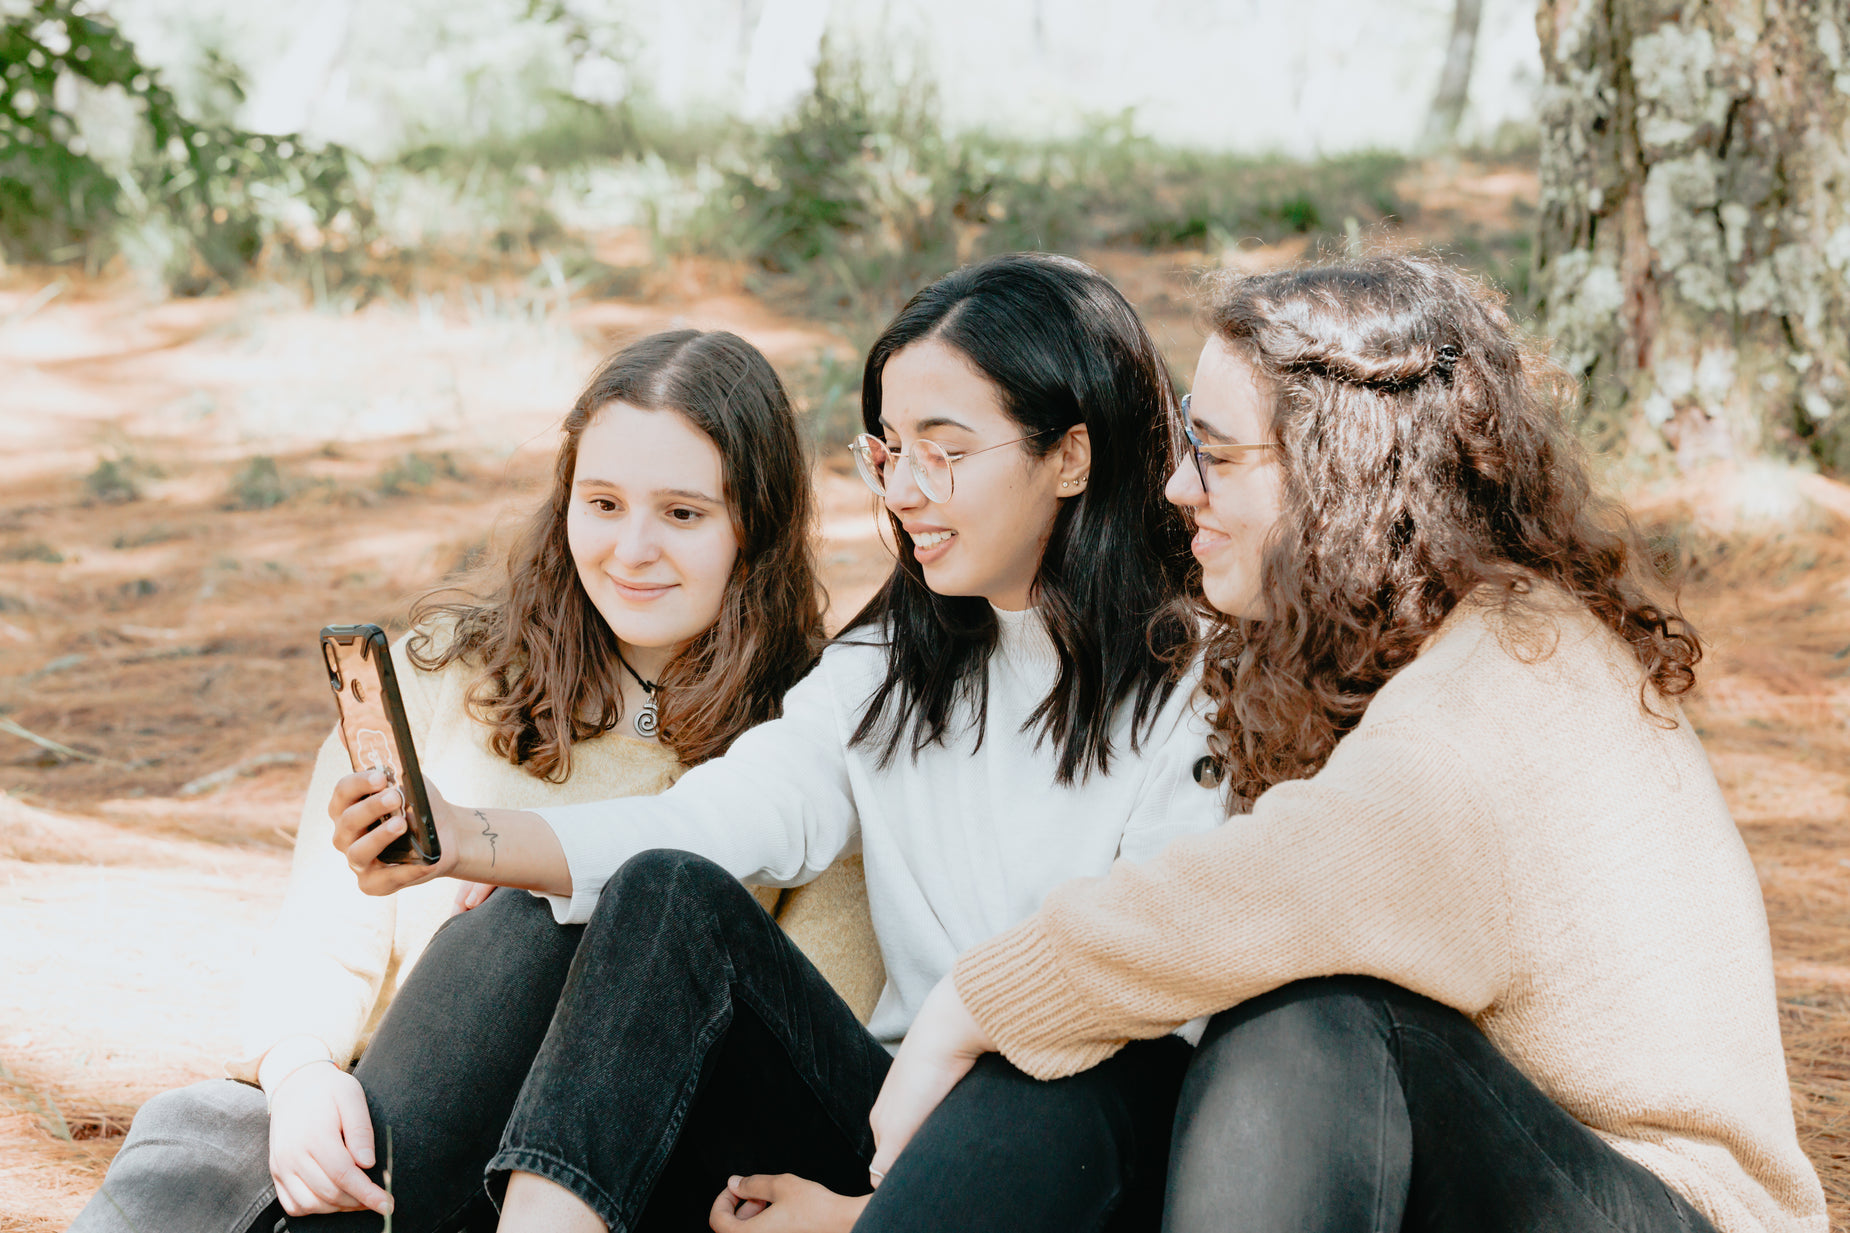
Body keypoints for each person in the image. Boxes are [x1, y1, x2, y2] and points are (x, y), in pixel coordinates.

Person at [871, 255, 1830, 1233]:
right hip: (1508, 1178)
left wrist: (969, 1003)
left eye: (1214, 453)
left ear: (1339, 471)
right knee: (1156, 1045)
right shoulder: (1413, 644)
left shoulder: (1503, 681)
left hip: (1672, 1212)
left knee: (1307, 1021)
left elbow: (1270, 889)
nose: (1173, 486)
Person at [327, 252, 1228, 1233]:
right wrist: (465, 835)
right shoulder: (890, 664)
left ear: (1070, 455)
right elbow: (708, 824)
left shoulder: (1202, 682)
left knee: (1076, 1078)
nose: (904, 489)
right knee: (666, 888)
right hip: (878, 1111)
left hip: (1069, 1133)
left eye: (943, 449)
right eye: (885, 449)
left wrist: (859, 1217)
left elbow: (1151, 982)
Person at [70, 329, 882, 1233]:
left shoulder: (810, 738)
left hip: (624, 1176)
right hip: (409, 1135)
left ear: (755, 526)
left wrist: (544, 882)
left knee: (550, 911)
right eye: (603, 502)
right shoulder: (443, 676)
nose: (632, 548)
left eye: (683, 514)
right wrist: (300, 1074)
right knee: (205, 1136)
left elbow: (801, 1021)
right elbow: (323, 937)